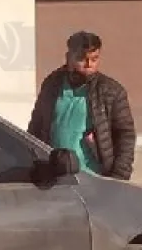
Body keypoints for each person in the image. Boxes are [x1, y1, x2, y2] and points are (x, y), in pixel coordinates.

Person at [27, 31, 136, 180]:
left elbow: (126, 135)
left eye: (94, 59)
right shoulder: (52, 85)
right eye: (81, 59)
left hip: (93, 177)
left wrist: (119, 175)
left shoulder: (111, 92)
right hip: (54, 175)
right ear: (68, 57)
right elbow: (36, 125)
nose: (89, 65)